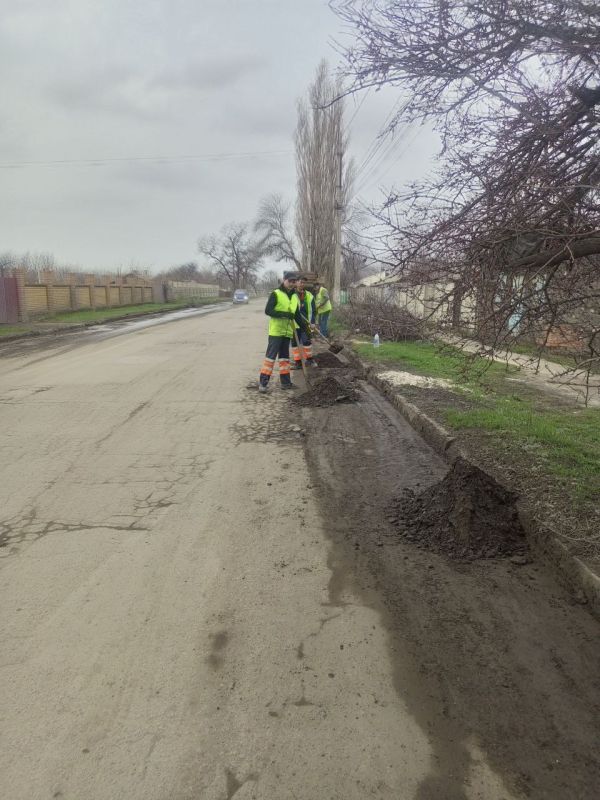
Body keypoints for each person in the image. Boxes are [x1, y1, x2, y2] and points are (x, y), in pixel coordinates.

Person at [258, 272, 310, 394]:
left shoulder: (294, 296)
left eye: (294, 282)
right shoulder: (276, 294)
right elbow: (268, 311)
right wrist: (285, 315)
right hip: (276, 332)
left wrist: (305, 328)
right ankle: (263, 383)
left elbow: (296, 314)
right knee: (270, 358)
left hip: (287, 332)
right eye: (290, 281)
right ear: (284, 280)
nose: (292, 284)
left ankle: (286, 383)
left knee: (284, 358)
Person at [291, 276, 316, 369]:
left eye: (303, 283)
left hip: (306, 323)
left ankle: (309, 360)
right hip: (294, 323)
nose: (302, 284)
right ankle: (298, 362)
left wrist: (313, 321)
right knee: (294, 343)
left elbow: (314, 310)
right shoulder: (291, 295)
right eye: (300, 282)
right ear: (296, 283)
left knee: (307, 341)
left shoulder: (309, 295)